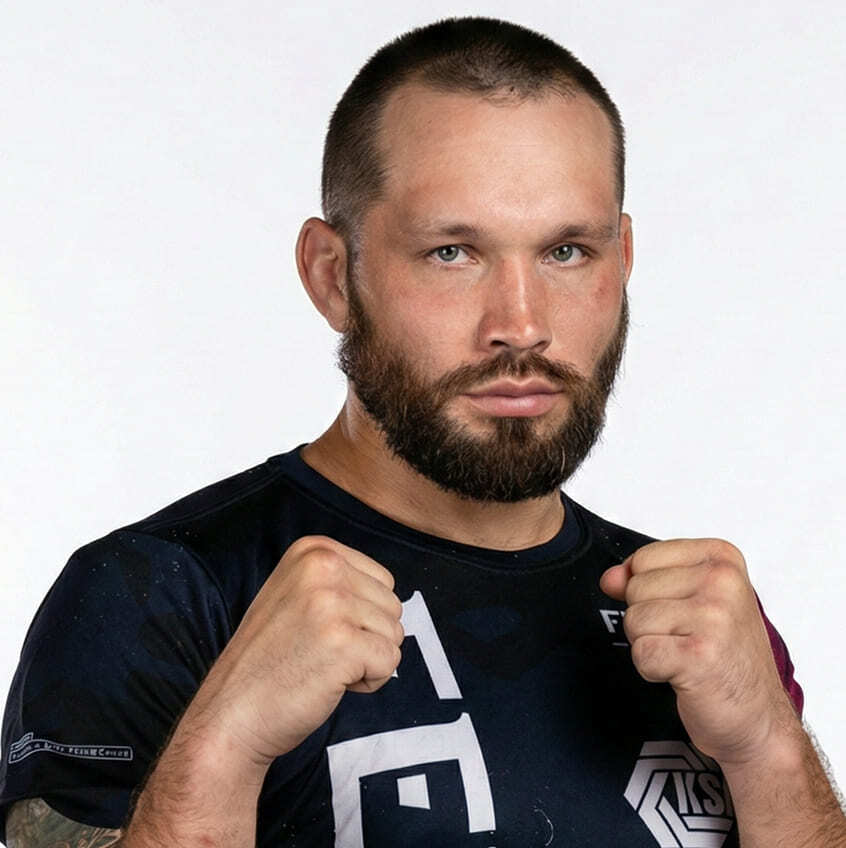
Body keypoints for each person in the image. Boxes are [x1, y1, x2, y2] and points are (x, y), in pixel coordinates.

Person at [1, 16, 844, 848]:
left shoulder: (695, 613)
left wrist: (768, 746)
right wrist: (228, 743)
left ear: (622, 259)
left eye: (566, 252)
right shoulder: (160, 595)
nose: (521, 326)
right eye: (452, 253)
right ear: (333, 276)